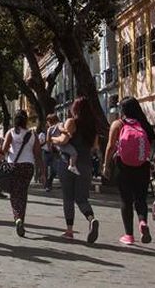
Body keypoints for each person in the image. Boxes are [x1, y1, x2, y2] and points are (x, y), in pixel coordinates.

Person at [102, 97, 155, 245]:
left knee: (126, 200)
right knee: (141, 198)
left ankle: (129, 235)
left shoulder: (118, 124)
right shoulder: (143, 124)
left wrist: (106, 165)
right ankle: (143, 221)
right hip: (142, 165)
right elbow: (151, 144)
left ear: (122, 110)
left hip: (122, 166)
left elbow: (110, 146)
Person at [52, 97, 101, 243]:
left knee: (68, 197)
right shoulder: (93, 128)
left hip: (67, 163)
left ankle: (69, 230)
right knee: (82, 198)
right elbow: (94, 148)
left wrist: (52, 139)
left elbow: (63, 140)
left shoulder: (71, 122)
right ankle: (91, 219)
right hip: (85, 165)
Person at [1, 110, 43, 237]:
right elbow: (37, 153)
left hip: (13, 165)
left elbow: (4, 149)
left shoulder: (11, 132)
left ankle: (17, 218)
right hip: (28, 166)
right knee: (23, 192)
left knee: (14, 194)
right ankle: (21, 219)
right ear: (26, 120)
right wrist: (41, 171)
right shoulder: (32, 134)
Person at [40, 113, 60, 192]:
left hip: (55, 152)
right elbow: (40, 144)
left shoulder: (58, 131)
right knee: (45, 170)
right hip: (46, 152)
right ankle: (46, 185)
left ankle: (49, 182)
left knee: (54, 170)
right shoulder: (43, 133)